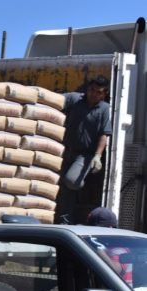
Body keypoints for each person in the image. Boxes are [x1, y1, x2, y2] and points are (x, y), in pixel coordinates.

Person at [55, 76, 112, 224]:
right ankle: (64, 222)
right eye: (92, 90)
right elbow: (55, 100)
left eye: (98, 92)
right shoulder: (75, 99)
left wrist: (97, 156)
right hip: (64, 150)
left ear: (104, 94)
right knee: (64, 188)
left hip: (85, 155)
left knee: (71, 181)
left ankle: (79, 187)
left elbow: (104, 133)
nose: (94, 94)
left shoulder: (104, 109)